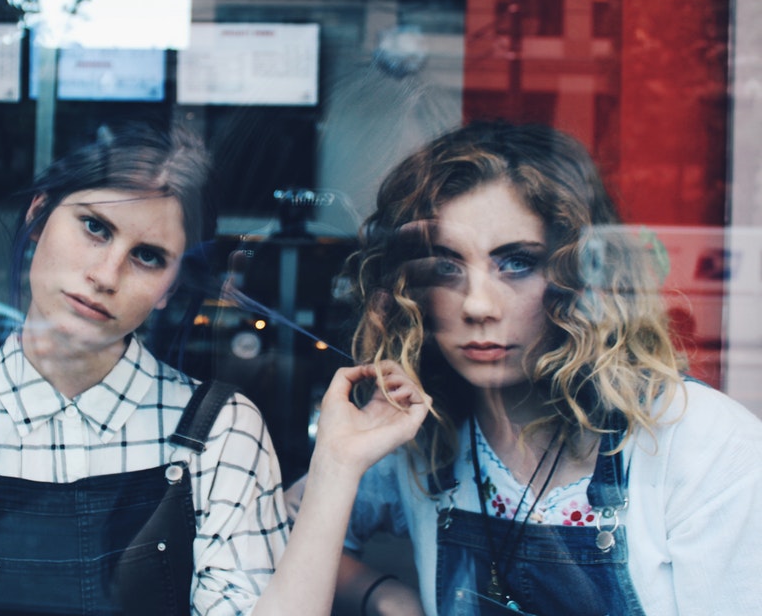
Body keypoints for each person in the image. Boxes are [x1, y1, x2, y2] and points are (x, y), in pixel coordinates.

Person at [0, 120, 432, 616]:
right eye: (94, 227)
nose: (107, 274)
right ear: (38, 219)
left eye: (148, 256)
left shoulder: (220, 433)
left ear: (168, 288)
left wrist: (335, 464)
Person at [326, 120, 762, 616]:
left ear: (579, 277)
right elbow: (277, 532)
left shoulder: (705, 447)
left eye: (515, 263)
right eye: (446, 266)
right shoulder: (424, 435)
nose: (477, 305)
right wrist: (383, 594)